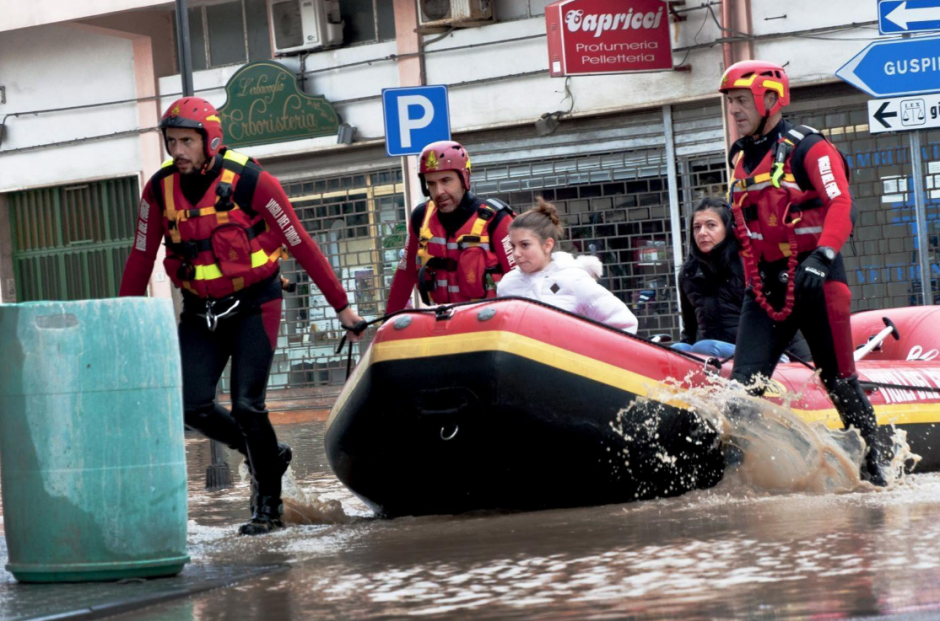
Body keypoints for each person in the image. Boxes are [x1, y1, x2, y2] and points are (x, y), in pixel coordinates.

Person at [120, 97, 365, 534]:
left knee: (248, 407)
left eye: (187, 142)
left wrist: (342, 306)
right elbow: (141, 255)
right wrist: (122, 320)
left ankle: (267, 508)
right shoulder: (158, 188)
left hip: (256, 303)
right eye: (171, 141)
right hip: (201, 310)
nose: (178, 150)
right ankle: (266, 455)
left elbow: (302, 244)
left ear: (210, 140)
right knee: (191, 405)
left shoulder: (253, 181)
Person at [719, 61, 892, 485]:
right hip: (764, 289)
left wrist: (823, 255)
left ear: (771, 100)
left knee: (839, 382)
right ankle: (733, 481)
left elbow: (842, 204)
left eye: (741, 101)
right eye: (730, 103)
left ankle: (877, 471)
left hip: (817, 277)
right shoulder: (740, 155)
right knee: (741, 390)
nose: (734, 111)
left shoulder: (810, 148)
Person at [673, 197, 811, 362]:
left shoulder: (749, 265)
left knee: (704, 347)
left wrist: (807, 364)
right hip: (712, 358)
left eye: (711, 225)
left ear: (728, 229)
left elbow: (781, 318)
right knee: (677, 349)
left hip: (762, 356)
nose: (702, 233)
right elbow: (689, 329)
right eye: (697, 227)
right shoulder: (688, 275)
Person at [386, 140, 516, 312]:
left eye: (446, 180)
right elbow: (405, 273)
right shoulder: (420, 217)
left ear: (464, 178)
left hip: (489, 326)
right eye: (431, 184)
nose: (439, 191)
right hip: (441, 324)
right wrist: (388, 320)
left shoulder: (496, 219)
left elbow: (520, 281)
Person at [497, 198, 638, 333]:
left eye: (524, 245)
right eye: (513, 246)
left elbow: (624, 323)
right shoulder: (508, 284)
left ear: (547, 245)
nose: (516, 253)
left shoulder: (573, 279)